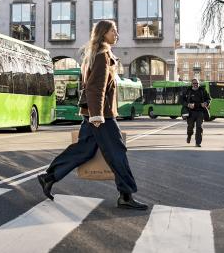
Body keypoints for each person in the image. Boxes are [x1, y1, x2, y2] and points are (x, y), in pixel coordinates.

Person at [37, 20, 148, 210]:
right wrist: (97, 115)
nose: (117, 34)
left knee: (85, 150)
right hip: (101, 115)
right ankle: (126, 195)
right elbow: (96, 88)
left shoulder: (97, 54)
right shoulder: (102, 55)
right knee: (117, 152)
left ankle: (49, 177)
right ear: (104, 33)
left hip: (94, 113)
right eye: (114, 30)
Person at [181, 78, 210, 147]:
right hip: (190, 112)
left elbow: (208, 99)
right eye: (194, 83)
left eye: (197, 83)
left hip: (200, 111)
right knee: (190, 127)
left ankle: (198, 142)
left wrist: (206, 103)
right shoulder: (188, 91)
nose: (195, 85)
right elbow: (181, 100)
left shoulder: (202, 90)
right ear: (192, 84)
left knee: (199, 127)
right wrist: (188, 105)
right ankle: (189, 135)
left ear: (198, 84)